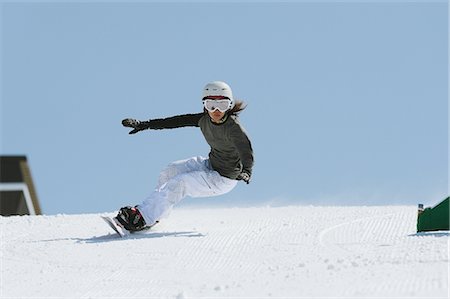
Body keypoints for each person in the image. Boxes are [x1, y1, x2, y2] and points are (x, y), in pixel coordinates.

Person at [114, 81, 254, 232]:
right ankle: (153, 215)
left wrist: (247, 171)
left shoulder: (234, 129)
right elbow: (175, 121)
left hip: (223, 179)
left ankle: (143, 219)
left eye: (222, 104)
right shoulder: (203, 119)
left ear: (230, 105)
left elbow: (246, 150)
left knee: (181, 183)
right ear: (204, 105)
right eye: (211, 104)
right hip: (211, 164)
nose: (216, 110)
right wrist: (145, 124)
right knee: (170, 171)